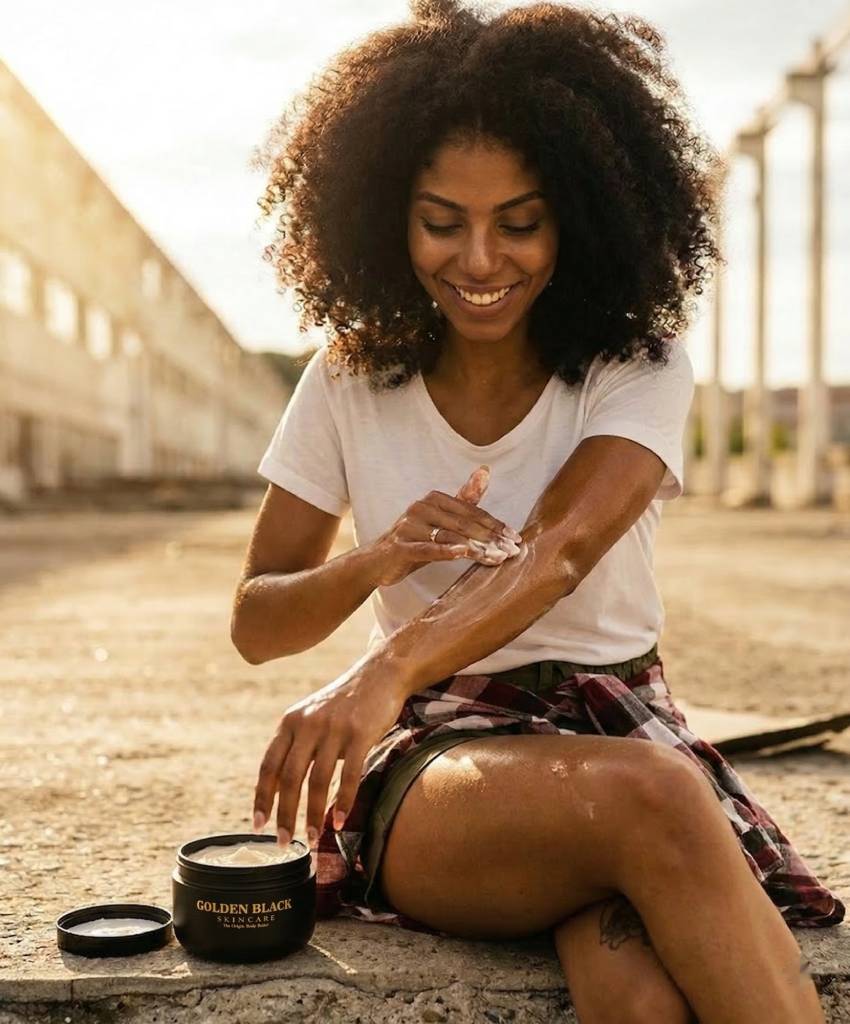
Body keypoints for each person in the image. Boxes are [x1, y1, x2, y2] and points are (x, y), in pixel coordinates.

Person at [231, 2, 844, 1021]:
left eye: (519, 222)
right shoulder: (345, 380)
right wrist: (375, 560)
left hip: (621, 724)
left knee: (638, 990)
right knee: (650, 800)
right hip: (443, 759)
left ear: (580, 212)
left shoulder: (634, 367)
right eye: (441, 220)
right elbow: (257, 620)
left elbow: (558, 549)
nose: (478, 260)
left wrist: (382, 665)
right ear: (386, 213)